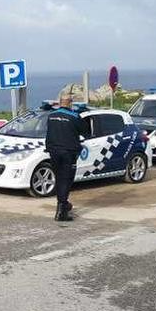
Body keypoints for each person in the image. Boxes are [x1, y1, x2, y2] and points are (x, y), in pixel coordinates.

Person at [45, 94, 90, 222]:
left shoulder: (51, 116)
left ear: (60, 103)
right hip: (68, 153)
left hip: (53, 152)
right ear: (70, 103)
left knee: (59, 179)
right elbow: (85, 131)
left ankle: (64, 204)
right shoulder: (75, 117)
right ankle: (61, 212)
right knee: (66, 180)